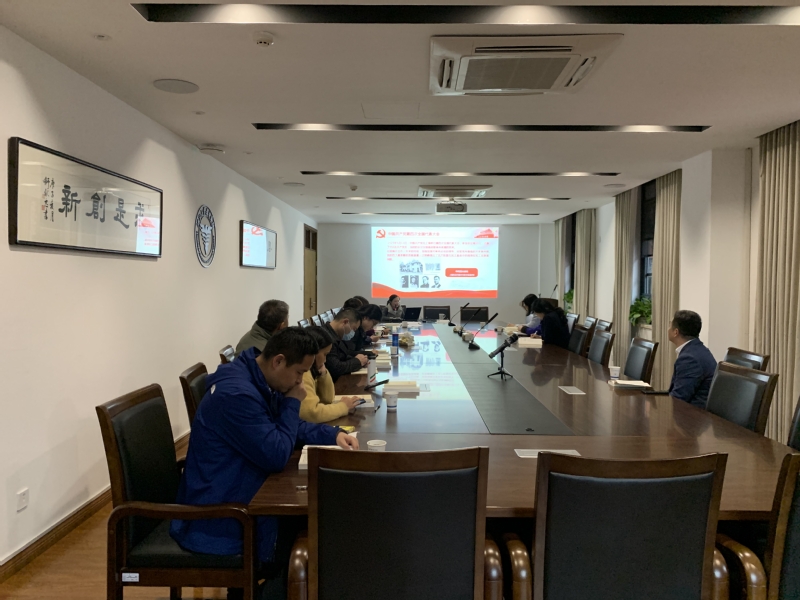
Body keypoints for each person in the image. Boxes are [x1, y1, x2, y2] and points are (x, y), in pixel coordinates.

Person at [170, 327, 359, 598]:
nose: (300, 382)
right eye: (299, 373)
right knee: (315, 535)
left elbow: (281, 427)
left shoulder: (256, 378)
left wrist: (333, 434)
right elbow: (276, 454)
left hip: (237, 492)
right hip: (220, 517)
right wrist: (292, 403)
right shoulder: (237, 395)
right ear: (278, 361)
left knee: (318, 527)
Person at [300, 326, 362, 423]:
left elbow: (327, 399)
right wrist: (343, 407)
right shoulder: (303, 374)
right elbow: (312, 413)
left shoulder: (313, 370)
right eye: (325, 354)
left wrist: (323, 374)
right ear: (313, 352)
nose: (325, 360)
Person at [667, 310, 717, 408]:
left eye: (670, 325)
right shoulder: (697, 349)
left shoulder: (689, 359)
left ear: (676, 332)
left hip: (693, 414)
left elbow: (679, 398)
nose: (668, 329)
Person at [323, 308, 368, 381]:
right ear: (345, 322)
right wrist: (357, 362)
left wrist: (363, 358)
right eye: (354, 329)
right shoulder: (326, 337)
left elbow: (345, 353)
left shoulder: (335, 333)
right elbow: (335, 368)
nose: (353, 333)